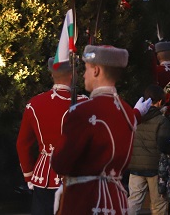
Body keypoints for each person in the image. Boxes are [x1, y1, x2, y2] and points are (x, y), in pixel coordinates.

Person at [51, 44, 137, 215]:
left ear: (96, 70)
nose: (84, 74)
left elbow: (61, 163)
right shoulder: (128, 112)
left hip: (85, 201)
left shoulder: (83, 111)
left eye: (86, 68)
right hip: (116, 202)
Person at [16, 58, 88, 215]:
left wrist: (28, 176)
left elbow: (22, 144)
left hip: (43, 176)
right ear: (72, 74)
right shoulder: (85, 103)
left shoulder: (35, 103)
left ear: (52, 74)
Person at [126, 84, 170, 215]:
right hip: (155, 168)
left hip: (135, 166)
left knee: (133, 201)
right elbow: (163, 145)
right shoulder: (162, 121)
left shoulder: (135, 117)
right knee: (158, 204)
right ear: (160, 102)